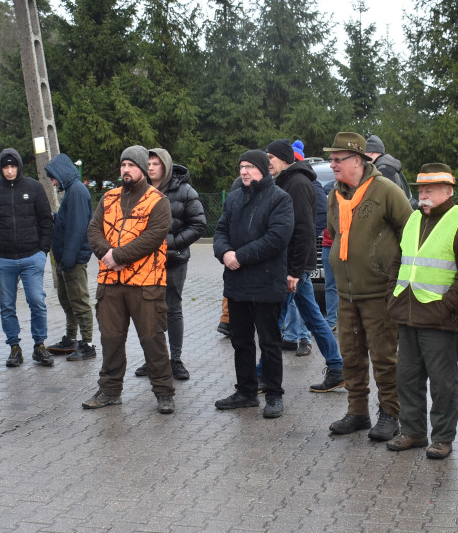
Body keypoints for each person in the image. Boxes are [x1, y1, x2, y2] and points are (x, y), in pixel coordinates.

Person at [317, 132, 412, 441]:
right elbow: (335, 233)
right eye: (331, 159)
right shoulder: (335, 195)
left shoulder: (386, 191)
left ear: (357, 161)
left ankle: (390, 415)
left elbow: (409, 233)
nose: (332, 164)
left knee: (384, 357)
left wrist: (395, 276)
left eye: (337, 159)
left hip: (378, 292)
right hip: (346, 293)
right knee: (352, 356)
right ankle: (357, 412)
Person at [385, 164, 458, 459]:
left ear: (448, 190)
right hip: (407, 311)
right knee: (407, 378)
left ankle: (442, 437)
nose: (423, 194)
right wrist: (392, 296)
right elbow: (398, 261)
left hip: (439, 316)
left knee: (442, 383)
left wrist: (448, 305)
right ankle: (413, 431)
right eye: (421, 190)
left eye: (430, 189)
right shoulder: (413, 219)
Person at [83, 146, 175, 414]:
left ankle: (164, 393)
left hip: (147, 284)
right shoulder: (108, 198)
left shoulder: (158, 201)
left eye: (131, 166)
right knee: (110, 339)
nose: (126, 170)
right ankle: (110, 391)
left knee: (152, 339)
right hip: (110, 283)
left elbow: (153, 236)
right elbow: (93, 229)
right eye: (123, 165)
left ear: (143, 169)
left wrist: (118, 256)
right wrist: (108, 256)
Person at [213, 149, 294, 418]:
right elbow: (221, 230)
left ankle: (273, 394)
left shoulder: (280, 199)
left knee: (270, 342)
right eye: (241, 167)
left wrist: (239, 256)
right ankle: (246, 392)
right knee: (241, 340)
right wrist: (224, 252)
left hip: (266, 283)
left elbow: (276, 238)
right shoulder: (234, 197)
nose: (244, 171)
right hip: (237, 283)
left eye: (249, 166)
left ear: (263, 169)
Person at [264, 139, 344, 387]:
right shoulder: (290, 181)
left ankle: (261, 374)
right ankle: (336, 367)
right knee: (312, 319)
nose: (267, 165)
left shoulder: (297, 184)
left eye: (270, 159)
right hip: (293, 267)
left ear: (284, 159)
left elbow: (304, 230)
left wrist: (296, 271)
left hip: (293, 268)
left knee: (275, 321)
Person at [0, 148, 55, 368]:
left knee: (37, 301)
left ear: (19, 166)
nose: (10, 171)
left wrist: (42, 251)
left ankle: (40, 345)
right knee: (7, 306)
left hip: (32, 257)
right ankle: (14, 347)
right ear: (1, 168)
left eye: (13, 166)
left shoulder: (34, 187)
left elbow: (46, 221)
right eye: (5, 167)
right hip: (2, 260)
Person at [133, 148, 206, 380]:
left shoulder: (184, 191)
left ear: (165, 166)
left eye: (156, 163)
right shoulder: (137, 191)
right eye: (148, 163)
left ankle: (175, 360)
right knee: (147, 312)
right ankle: (153, 359)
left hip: (173, 261)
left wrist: (171, 243)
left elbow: (198, 224)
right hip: (144, 263)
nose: (151, 167)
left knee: (172, 309)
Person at [45, 153, 96, 361]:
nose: (52, 182)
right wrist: (57, 219)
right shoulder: (72, 191)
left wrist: (68, 260)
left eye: (53, 177)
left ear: (61, 173)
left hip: (72, 260)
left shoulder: (76, 192)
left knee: (79, 301)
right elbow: (69, 222)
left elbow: (77, 229)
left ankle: (87, 344)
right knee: (67, 300)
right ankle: (71, 338)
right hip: (67, 259)